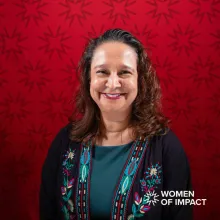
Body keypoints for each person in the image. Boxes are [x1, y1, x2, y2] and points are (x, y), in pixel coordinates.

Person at [39, 28, 193, 220]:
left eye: (124, 72)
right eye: (102, 72)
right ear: (89, 79)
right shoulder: (65, 142)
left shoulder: (167, 148)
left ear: (140, 80)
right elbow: (47, 211)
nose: (113, 83)